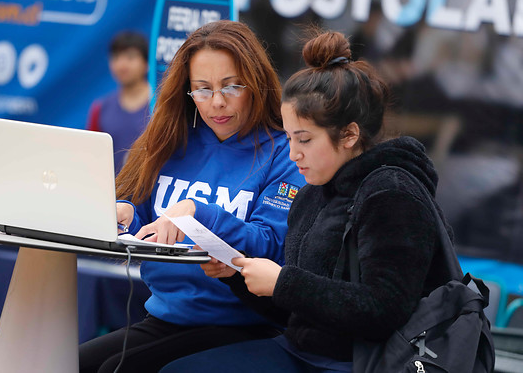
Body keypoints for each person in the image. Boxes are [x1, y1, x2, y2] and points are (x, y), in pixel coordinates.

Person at [160, 28, 454, 372]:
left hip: (369, 362)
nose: (292, 154)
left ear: (349, 135)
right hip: (303, 352)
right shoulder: (312, 194)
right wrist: (237, 276)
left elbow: (384, 310)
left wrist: (283, 282)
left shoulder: (393, 192)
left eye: (304, 140)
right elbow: (298, 312)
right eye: (287, 138)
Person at [78, 20, 305, 373]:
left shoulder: (283, 152)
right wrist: (126, 211)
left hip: (244, 324)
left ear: (256, 83)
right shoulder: (174, 137)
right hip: (166, 315)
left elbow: (271, 244)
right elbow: (142, 208)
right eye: (202, 89)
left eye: (231, 87)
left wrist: (197, 213)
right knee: (70, 363)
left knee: (116, 369)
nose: (216, 102)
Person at [86, 31, 151, 174]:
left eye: (130, 57)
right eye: (116, 57)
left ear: (147, 63)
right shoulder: (100, 108)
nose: (122, 65)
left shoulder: (162, 106)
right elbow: (90, 156)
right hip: (110, 192)